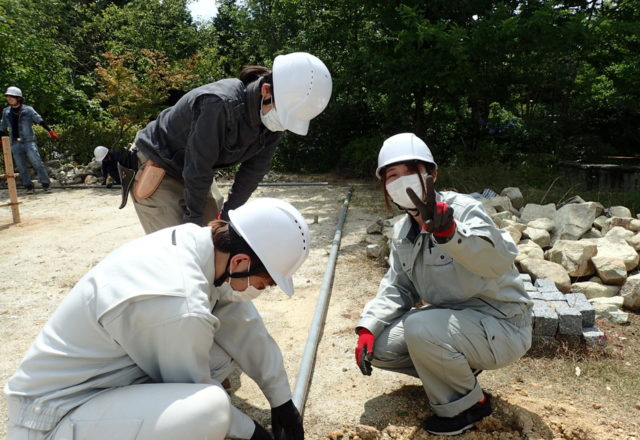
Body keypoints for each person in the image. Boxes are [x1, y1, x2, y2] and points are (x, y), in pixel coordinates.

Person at [5, 197, 311, 440]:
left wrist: (281, 400)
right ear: (242, 261)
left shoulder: (198, 244)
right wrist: (254, 434)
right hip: (51, 420)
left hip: (90, 388)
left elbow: (241, 322)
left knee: (218, 357)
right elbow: (195, 388)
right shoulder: (180, 300)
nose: (261, 290)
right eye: (264, 283)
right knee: (210, 409)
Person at [354, 133, 532, 436]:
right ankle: (456, 370)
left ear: (432, 174)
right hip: (453, 325)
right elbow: (398, 285)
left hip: (502, 325)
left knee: (421, 327)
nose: (400, 182)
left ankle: (470, 407)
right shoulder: (403, 230)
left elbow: (497, 259)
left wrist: (450, 233)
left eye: (409, 172)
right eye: (391, 176)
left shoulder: (462, 210)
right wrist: (368, 327)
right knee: (382, 348)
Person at [121, 51, 332, 234]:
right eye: (282, 114)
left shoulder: (274, 119)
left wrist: (229, 216)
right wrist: (192, 224)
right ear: (266, 90)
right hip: (158, 164)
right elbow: (198, 168)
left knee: (216, 240)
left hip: (195, 170)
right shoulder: (218, 104)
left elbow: (253, 172)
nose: (282, 124)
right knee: (179, 249)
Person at [0, 86, 59, 193]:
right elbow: (3, 127)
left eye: (11, 96)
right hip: (14, 143)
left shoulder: (28, 110)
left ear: (18, 98)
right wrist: (1, 139)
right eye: (7, 96)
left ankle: (45, 184)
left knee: (37, 162)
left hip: (28, 141)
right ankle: (28, 187)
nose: (9, 98)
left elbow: (39, 120)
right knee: (21, 166)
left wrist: (50, 131)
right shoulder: (6, 111)